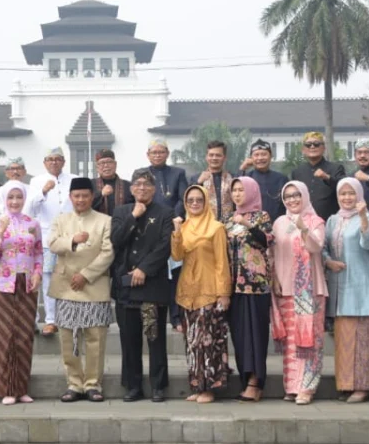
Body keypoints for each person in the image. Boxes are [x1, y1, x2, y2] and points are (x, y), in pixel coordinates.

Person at [48, 177, 115, 403]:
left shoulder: (105, 220)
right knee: (68, 338)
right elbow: (53, 244)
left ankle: (93, 384)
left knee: (95, 338)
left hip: (94, 285)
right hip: (66, 285)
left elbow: (108, 252)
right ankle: (74, 383)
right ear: (70, 197)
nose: (81, 200)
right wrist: (72, 240)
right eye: (76, 196)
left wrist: (85, 275)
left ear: (92, 197)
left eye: (85, 195)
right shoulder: (61, 220)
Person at [111, 170, 175, 403]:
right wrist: (133, 217)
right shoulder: (121, 212)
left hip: (152, 285)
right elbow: (115, 241)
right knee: (129, 340)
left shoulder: (165, 213)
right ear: (131, 188)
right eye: (137, 184)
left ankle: (158, 386)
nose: (141, 188)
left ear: (154, 188)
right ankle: (133, 386)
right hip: (126, 287)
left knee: (155, 337)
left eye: (147, 184)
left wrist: (144, 269)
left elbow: (164, 245)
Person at [171, 185, 232, 404]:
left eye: (199, 200)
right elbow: (177, 256)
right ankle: (197, 385)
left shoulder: (216, 228)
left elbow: (221, 263)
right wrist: (177, 233)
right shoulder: (184, 227)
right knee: (192, 342)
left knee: (208, 342)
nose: (195, 204)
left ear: (206, 202)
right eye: (190, 200)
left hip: (209, 292)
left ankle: (210, 388)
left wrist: (223, 293)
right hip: (187, 291)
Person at [0, 181, 43, 405]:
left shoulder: (32, 224)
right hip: (2, 284)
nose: (15, 202)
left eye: (19, 197)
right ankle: (6, 389)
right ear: (4, 199)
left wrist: (37, 273)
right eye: (11, 198)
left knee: (24, 335)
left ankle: (21, 388)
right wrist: (0, 231)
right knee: (5, 335)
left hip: (26, 284)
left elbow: (38, 253)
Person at [270, 180, 327, 406]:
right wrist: (274, 279)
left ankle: (307, 387)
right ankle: (292, 386)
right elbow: (272, 253)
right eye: (288, 196)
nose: (292, 199)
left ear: (305, 196)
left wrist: (304, 229)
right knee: (291, 342)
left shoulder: (316, 221)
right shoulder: (279, 222)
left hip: (309, 290)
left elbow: (316, 247)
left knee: (309, 340)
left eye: (296, 195)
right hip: (286, 289)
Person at [321, 178, 369, 403]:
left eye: (351, 193)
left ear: (359, 195)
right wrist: (328, 262)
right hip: (339, 288)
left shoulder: (368, 217)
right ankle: (345, 385)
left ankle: (362, 387)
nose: (346, 198)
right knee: (344, 339)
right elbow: (322, 247)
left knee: (362, 339)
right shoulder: (333, 220)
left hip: (361, 286)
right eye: (342, 194)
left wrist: (363, 216)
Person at [224, 177, 273, 403]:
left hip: (255, 286)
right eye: (234, 190)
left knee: (256, 335)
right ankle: (246, 380)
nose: (237, 194)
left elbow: (265, 241)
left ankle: (256, 382)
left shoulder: (261, 217)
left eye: (241, 190)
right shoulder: (227, 220)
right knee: (240, 335)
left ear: (252, 191)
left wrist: (247, 224)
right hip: (233, 286)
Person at [27, 147, 74, 337]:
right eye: (50, 159)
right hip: (47, 239)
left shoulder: (73, 179)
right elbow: (30, 208)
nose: (54, 162)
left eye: (57, 159)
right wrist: (43, 192)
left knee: (71, 277)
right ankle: (51, 320)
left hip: (71, 237)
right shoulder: (36, 181)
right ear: (45, 162)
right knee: (48, 279)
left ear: (63, 161)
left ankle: (70, 317)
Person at [291, 132, 346, 219]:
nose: (312, 147)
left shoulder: (336, 168)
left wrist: (327, 177)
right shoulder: (297, 172)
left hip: (329, 221)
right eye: (308, 145)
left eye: (316, 144)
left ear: (324, 148)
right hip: (304, 221)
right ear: (303, 150)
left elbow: (344, 188)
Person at [239, 139, 288, 222]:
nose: (260, 158)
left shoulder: (281, 179)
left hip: (277, 226)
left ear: (271, 156)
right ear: (251, 158)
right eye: (256, 155)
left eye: (264, 154)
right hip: (252, 227)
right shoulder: (246, 179)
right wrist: (242, 168)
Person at [195, 141, 234, 220]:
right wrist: (198, 183)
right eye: (211, 155)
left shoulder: (232, 178)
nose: (214, 158)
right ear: (206, 157)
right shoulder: (197, 178)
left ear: (224, 158)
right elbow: (190, 201)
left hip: (230, 225)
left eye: (218, 155)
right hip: (206, 225)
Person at [91, 149, 133, 216]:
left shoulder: (128, 186)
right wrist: (101, 194)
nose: (106, 165)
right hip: (97, 225)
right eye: (102, 163)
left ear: (115, 164)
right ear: (97, 167)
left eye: (109, 162)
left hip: (122, 224)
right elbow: (85, 206)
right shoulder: (90, 184)